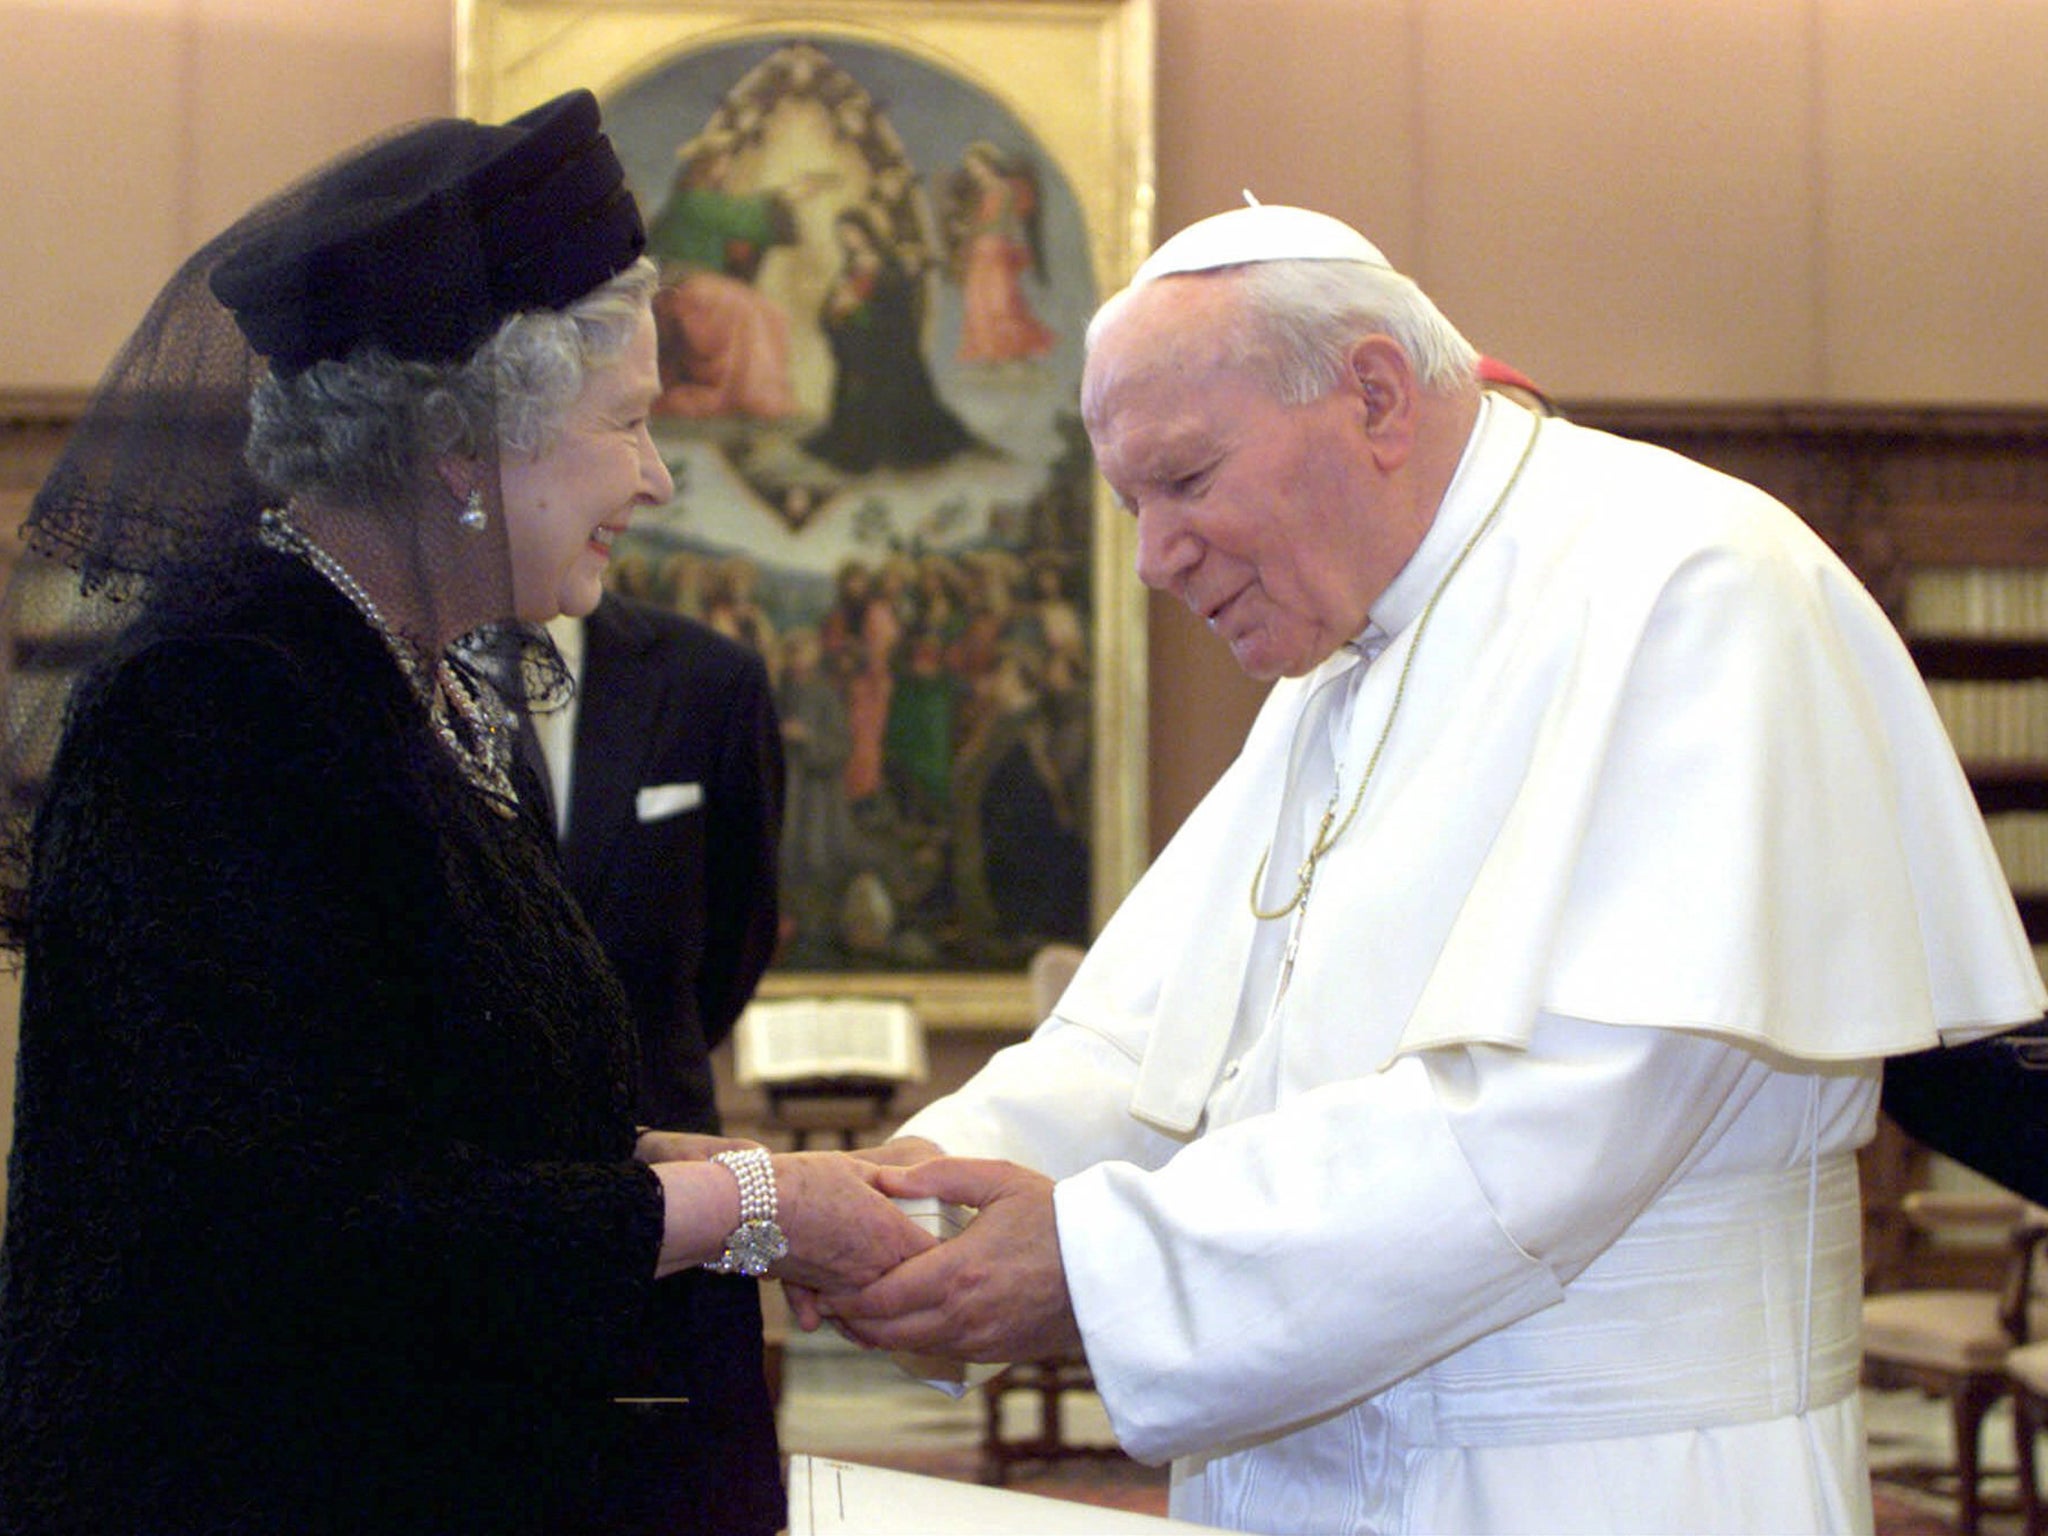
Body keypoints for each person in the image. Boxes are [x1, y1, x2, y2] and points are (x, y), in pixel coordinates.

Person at [804, 204, 2048, 1534]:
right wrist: (907, 1187)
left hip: (1610, 1484)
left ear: (1376, 397)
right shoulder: (1344, 660)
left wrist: (1100, 1265)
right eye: (1131, 505)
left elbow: (1556, 1126)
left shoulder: (1695, 586)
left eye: (1185, 480)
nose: (1155, 556)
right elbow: (1146, 1041)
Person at [0, 90, 929, 1536]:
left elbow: (414, 1111)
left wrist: (661, 1166)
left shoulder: (391, 682)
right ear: (462, 446)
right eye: (626, 422)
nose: (657, 475)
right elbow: (310, 1231)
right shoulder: (221, 710)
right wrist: (752, 1199)